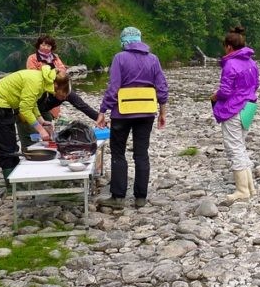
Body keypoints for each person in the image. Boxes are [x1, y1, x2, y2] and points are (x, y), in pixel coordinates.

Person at [95, 27, 168, 209]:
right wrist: (163, 112)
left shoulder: (120, 58)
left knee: (118, 153)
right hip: (146, 113)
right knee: (141, 154)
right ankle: (140, 198)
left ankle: (118, 197)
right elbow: (162, 87)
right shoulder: (153, 59)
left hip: (123, 112)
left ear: (124, 41)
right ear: (140, 40)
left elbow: (114, 87)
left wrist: (103, 110)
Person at [0, 66, 71, 183]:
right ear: (56, 85)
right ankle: (11, 184)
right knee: (6, 146)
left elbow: (31, 103)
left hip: (5, 106)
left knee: (12, 144)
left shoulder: (42, 81)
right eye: (60, 92)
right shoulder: (36, 82)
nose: (56, 94)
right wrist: (40, 130)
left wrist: (41, 121)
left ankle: (16, 179)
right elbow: (25, 110)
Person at [16, 35, 99, 148]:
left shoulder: (64, 88)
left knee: (49, 132)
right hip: (28, 105)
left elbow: (82, 105)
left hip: (44, 108)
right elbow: (32, 75)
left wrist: (99, 118)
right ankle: (27, 154)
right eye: (43, 44)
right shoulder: (33, 61)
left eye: (48, 45)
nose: (45, 47)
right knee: (31, 136)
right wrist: (38, 125)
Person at [210, 26, 260, 201]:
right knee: (241, 146)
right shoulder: (251, 62)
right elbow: (256, 85)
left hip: (234, 109)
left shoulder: (230, 63)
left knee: (234, 149)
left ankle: (242, 190)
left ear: (229, 47)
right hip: (249, 107)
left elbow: (224, 91)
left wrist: (214, 96)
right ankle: (250, 188)